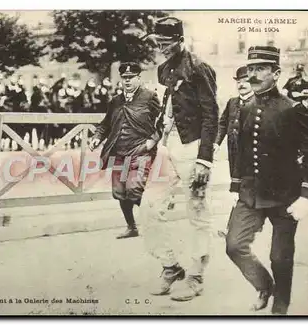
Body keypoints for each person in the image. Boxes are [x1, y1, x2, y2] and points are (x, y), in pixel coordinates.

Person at [225, 46, 308, 315]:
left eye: (261, 69)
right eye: (250, 69)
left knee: (280, 257)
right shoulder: (244, 108)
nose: (253, 75)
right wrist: (235, 185)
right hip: (250, 193)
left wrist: (306, 194)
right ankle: (264, 285)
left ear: (277, 73)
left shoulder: (293, 110)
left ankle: (280, 306)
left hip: (285, 195)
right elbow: (240, 151)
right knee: (234, 245)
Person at [140, 16, 219, 301]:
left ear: (180, 39)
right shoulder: (162, 70)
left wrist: (205, 159)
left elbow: (212, 115)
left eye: (167, 41)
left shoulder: (199, 68)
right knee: (148, 208)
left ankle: (196, 276)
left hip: (193, 147)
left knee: (198, 212)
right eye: (158, 41)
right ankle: (170, 266)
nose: (161, 46)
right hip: (166, 148)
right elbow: (165, 109)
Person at [89, 62, 162, 239]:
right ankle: (132, 227)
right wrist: (97, 137)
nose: (127, 81)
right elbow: (106, 124)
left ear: (139, 78)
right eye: (124, 78)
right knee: (120, 193)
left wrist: (152, 141)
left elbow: (163, 121)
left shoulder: (149, 97)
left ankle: (155, 217)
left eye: (131, 78)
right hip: (119, 153)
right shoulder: (115, 101)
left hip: (140, 152)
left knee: (134, 189)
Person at [214, 66, 255, 235]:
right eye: (239, 81)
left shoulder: (257, 103)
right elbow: (223, 123)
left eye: (245, 81)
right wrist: (216, 143)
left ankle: (233, 227)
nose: (242, 84)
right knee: (239, 188)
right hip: (233, 153)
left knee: (242, 189)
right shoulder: (232, 102)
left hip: (251, 154)